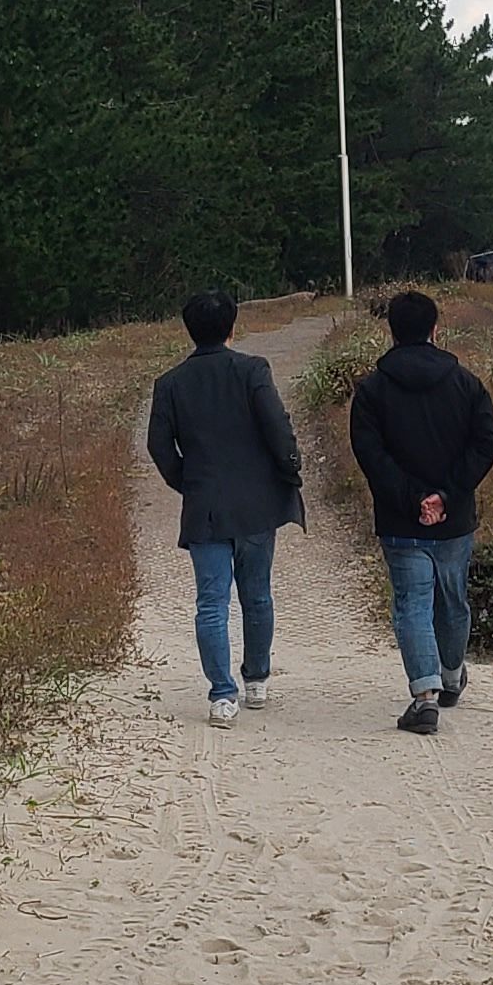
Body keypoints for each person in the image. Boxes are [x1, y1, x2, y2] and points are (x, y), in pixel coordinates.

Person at [146, 289, 304, 724]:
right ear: (234, 327)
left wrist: (188, 483)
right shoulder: (253, 370)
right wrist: (289, 469)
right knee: (257, 595)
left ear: (189, 331)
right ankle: (256, 679)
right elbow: (277, 425)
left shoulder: (170, 383)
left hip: (206, 505)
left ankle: (221, 695)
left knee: (211, 601)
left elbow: (159, 447)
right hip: (256, 502)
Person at [347, 288, 493, 735]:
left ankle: (425, 696)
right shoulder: (467, 384)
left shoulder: (372, 390)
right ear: (436, 329)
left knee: (412, 604)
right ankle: (452, 676)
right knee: (452, 600)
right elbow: (486, 445)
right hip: (454, 519)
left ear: (391, 331)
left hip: (400, 518)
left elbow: (370, 454)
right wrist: (446, 496)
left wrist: (413, 498)